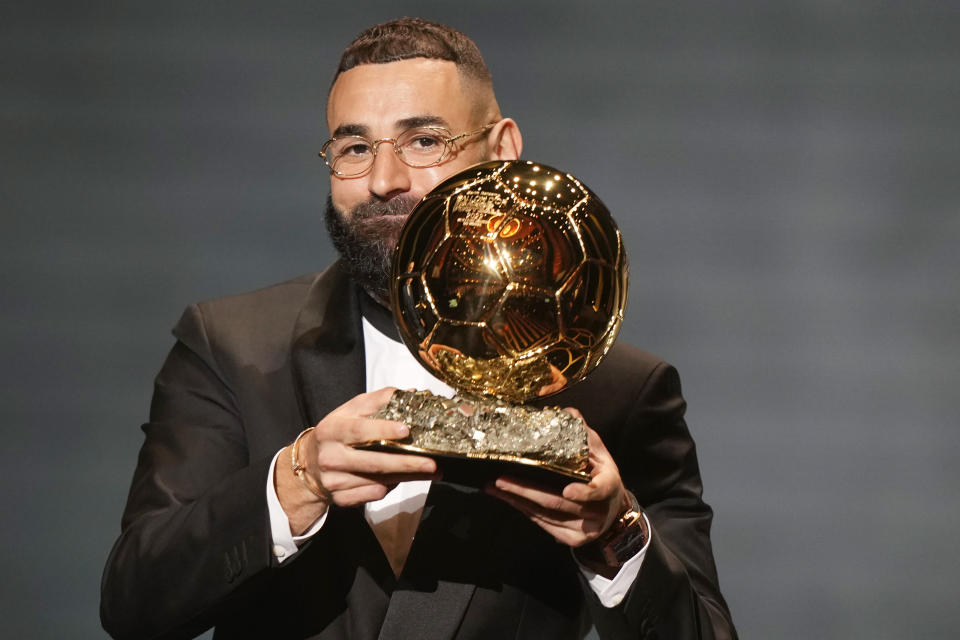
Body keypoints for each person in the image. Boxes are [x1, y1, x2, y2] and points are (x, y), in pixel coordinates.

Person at [101, 17, 736, 640]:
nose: (383, 181)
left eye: (423, 141)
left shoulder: (620, 387)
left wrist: (615, 535)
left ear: (503, 149)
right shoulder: (231, 345)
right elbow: (134, 604)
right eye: (354, 149)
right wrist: (296, 482)